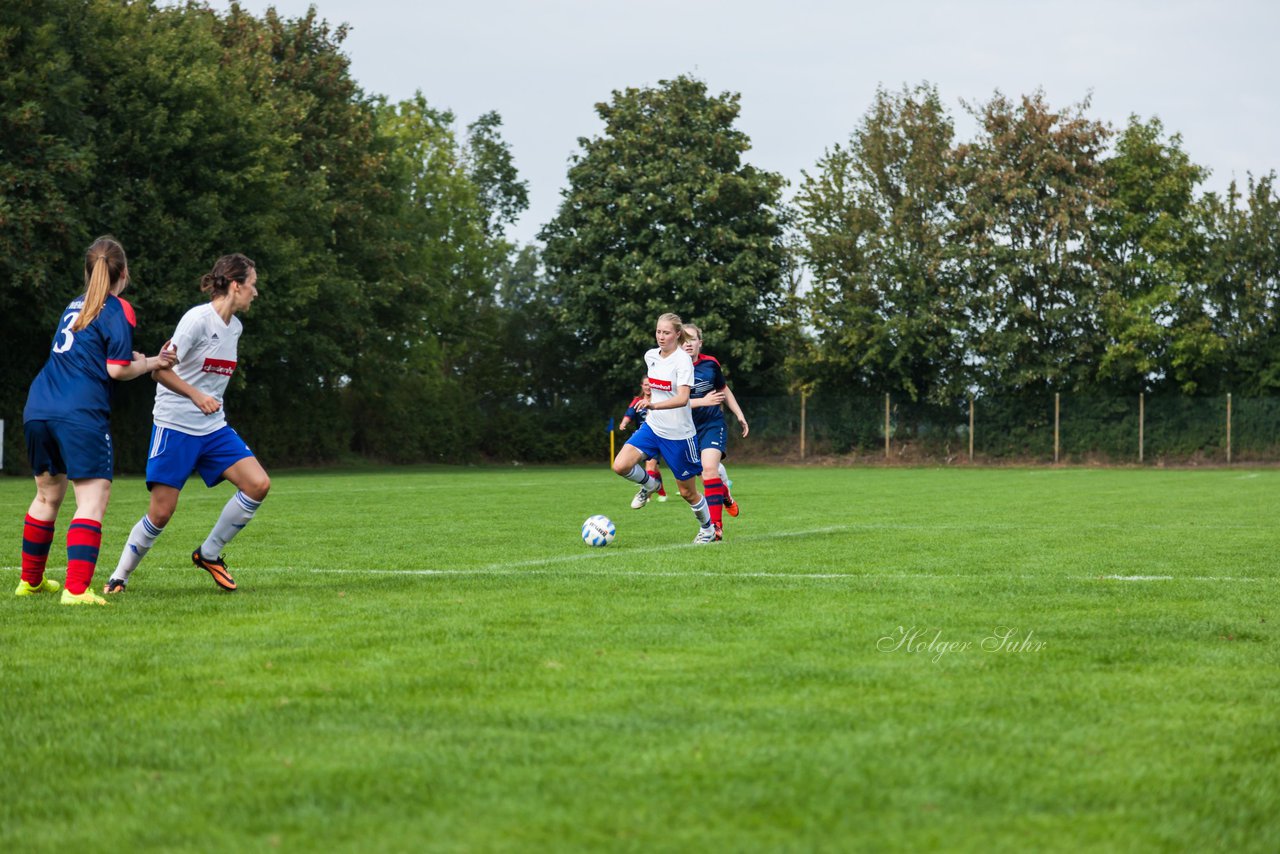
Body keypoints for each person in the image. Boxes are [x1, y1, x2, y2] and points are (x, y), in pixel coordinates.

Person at [16, 236, 176, 606]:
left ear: (88, 270)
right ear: (124, 272)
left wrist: (135, 359)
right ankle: (75, 591)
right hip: (79, 413)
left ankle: (31, 582)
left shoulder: (73, 305)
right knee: (92, 499)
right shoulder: (118, 308)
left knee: (46, 495)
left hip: (39, 405)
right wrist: (152, 362)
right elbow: (117, 370)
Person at [104, 253, 269, 594]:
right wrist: (196, 396)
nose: (255, 292)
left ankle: (209, 554)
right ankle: (119, 577)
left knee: (258, 484)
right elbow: (159, 370)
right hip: (175, 424)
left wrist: (205, 401)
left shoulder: (235, 328)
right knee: (162, 513)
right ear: (236, 285)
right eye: (252, 285)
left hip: (212, 427)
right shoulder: (196, 319)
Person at [610, 313, 716, 544]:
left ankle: (707, 529)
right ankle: (651, 484)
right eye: (658, 331)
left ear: (677, 334)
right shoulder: (650, 356)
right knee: (620, 465)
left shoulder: (682, 361)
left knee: (688, 493)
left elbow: (683, 399)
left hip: (679, 435)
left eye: (666, 332)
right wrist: (651, 407)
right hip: (653, 427)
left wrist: (654, 405)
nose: (661, 336)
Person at [682, 323, 749, 541]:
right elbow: (672, 403)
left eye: (692, 339)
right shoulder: (671, 368)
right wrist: (701, 400)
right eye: (683, 339)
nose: (687, 343)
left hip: (712, 424)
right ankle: (725, 494)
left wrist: (739, 414)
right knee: (703, 477)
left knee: (710, 469)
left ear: (700, 342)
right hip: (685, 430)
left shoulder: (711, 364)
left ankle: (716, 528)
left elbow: (723, 389)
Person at [617, 378, 667, 504]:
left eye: (650, 385)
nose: (648, 387)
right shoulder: (637, 401)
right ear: (642, 386)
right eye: (645, 385)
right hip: (643, 438)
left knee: (650, 465)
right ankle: (660, 492)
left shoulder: (659, 400)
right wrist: (624, 422)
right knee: (653, 467)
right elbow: (629, 413)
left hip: (658, 435)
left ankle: (647, 493)